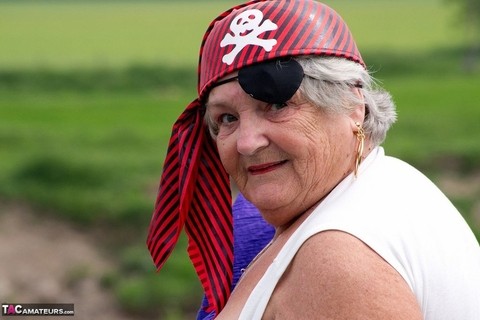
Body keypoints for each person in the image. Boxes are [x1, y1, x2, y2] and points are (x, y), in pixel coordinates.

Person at [147, 0, 480, 319]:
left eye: (277, 106)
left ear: (353, 106)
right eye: (227, 118)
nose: (247, 143)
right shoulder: (386, 183)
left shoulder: (336, 258)